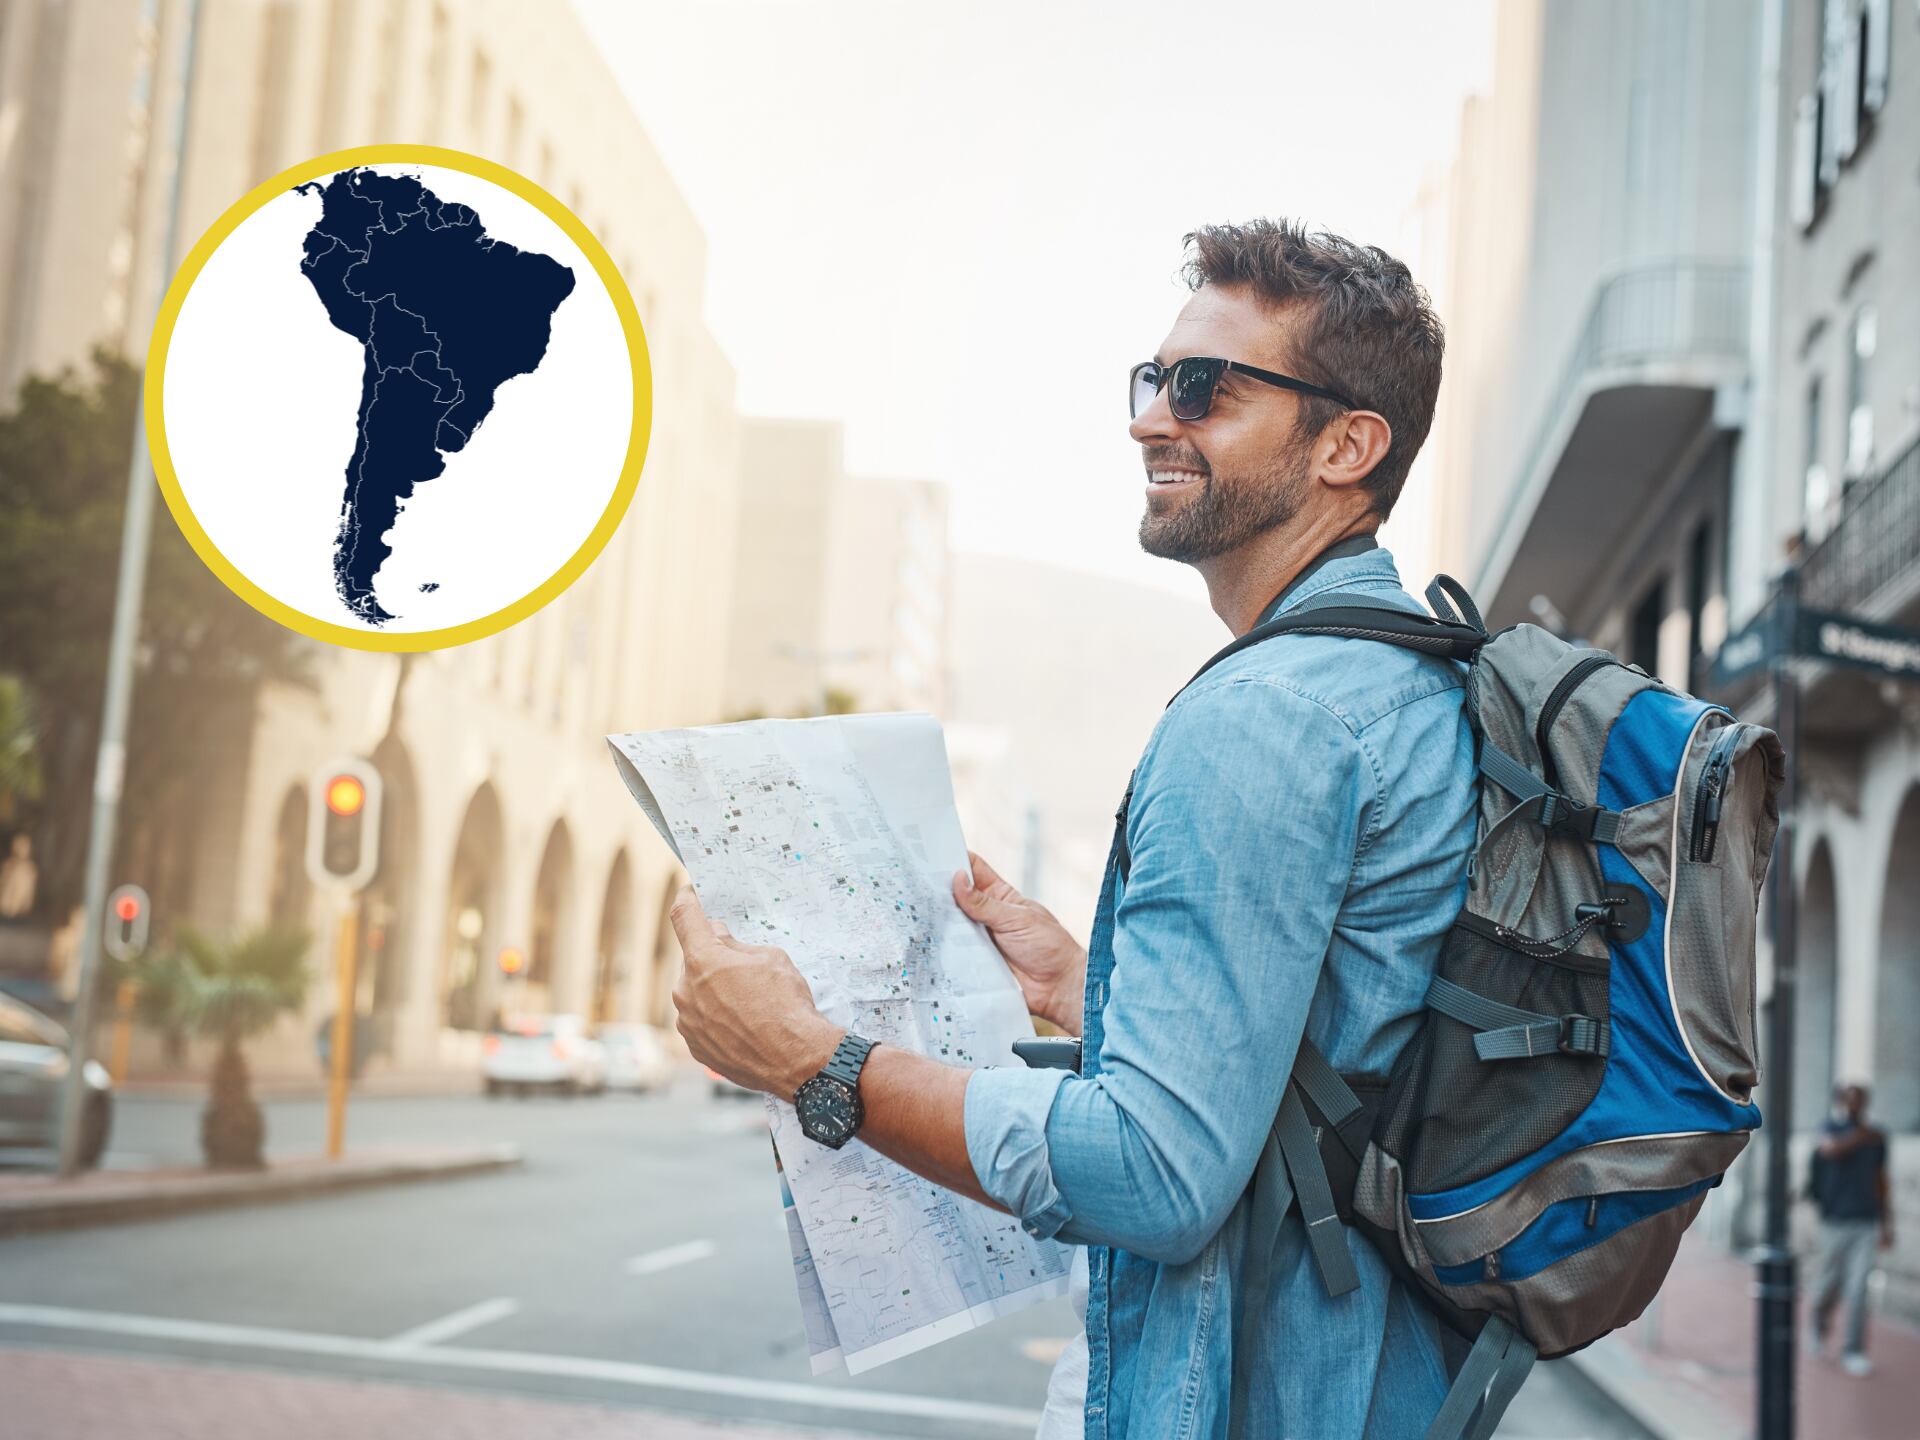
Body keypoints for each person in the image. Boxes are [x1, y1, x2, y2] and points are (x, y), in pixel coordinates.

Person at [669, 218, 1473, 1438]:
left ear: (1347, 446)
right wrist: (1095, 992)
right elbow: (1339, 1075)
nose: (1153, 418)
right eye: (1153, 380)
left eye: (1205, 389)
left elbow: (1153, 1176)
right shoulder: (1402, 683)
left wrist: (810, 1060)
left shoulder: (1265, 716)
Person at [1807, 1081, 1893, 1377]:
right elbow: (1830, 1150)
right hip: (1834, 1222)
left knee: (1858, 1289)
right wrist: (1860, 1136)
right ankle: (1818, 1326)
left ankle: (1853, 1350)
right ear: (1841, 1101)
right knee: (1828, 1284)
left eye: (1860, 1099)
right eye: (1850, 1099)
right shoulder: (1828, 1128)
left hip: (1866, 1221)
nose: (1855, 1105)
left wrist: (1886, 1223)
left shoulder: (1877, 1138)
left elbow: (1882, 1180)